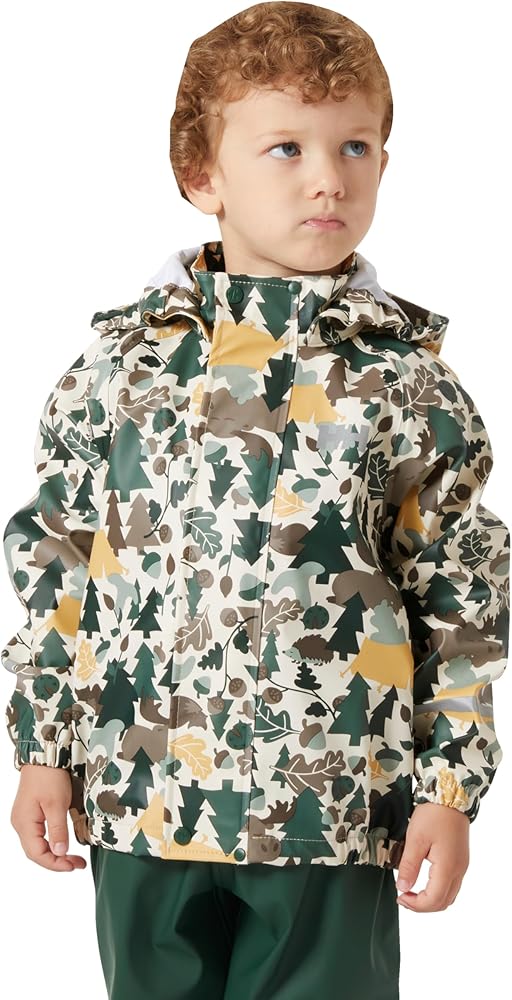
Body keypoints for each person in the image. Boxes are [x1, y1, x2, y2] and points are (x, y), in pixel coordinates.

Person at [3, 3, 509, 998]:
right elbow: (57, 562)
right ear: (202, 176)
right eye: (286, 147)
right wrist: (42, 748)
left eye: (355, 146)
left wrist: (449, 789)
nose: (329, 178)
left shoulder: (406, 385)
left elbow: (462, 600)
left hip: (330, 805)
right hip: (142, 797)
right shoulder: (117, 372)